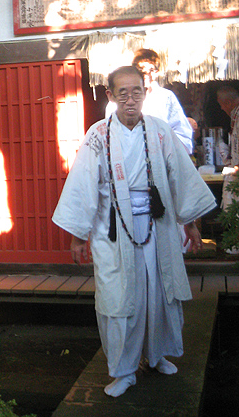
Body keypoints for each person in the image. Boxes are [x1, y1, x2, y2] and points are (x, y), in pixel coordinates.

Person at [52, 66, 216, 398]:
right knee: (120, 299)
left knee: (160, 293)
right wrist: (79, 235)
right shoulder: (98, 135)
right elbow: (83, 185)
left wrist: (190, 223)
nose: (130, 99)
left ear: (145, 92)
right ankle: (123, 371)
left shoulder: (160, 130)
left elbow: (180, 176)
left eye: (136, 92)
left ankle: (157, 356)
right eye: (122, 93)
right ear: (110, 96)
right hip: (114, 229)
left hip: (159, 224)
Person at [106, 48, 193, 153]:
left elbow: (182, 132)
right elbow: (109, 134)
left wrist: (163, 149)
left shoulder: (166, 97)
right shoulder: (117, 99)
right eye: (141, 69)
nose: (147, 74)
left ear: (157, 72)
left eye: (151, 70)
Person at [216, 85, 239, 212]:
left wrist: (236, 169)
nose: (221, 108)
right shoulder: (235, 116)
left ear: (229, 103)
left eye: (221, 105)